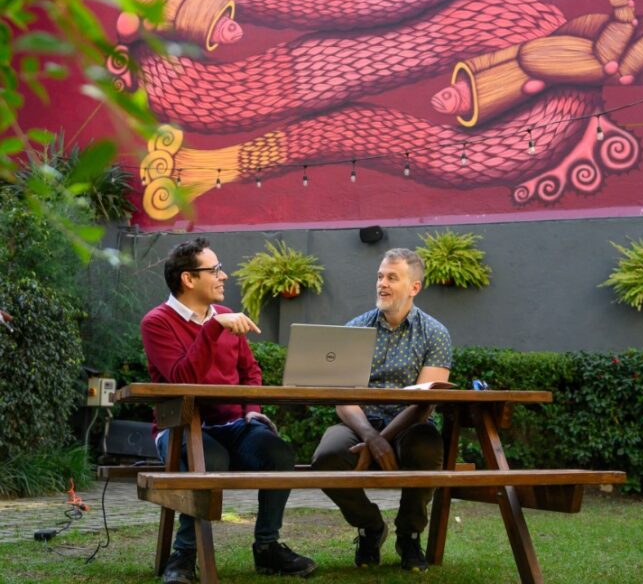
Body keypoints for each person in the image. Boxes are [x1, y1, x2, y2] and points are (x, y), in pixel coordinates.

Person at [141, 237, 316, 583]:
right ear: (189, 279)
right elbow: (181, 380)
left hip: (233, 425)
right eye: (215, 269)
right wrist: (211, 329)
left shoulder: (226, 318)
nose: (224, 276)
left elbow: (250, 372)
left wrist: (251, 409)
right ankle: (184, 556)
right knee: (210, 460)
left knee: (278, 454)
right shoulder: (157, 322)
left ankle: (267, 548)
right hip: (179, 428)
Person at [311, 248, 452, 572]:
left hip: (408, 424)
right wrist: (370, 436)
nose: (382, 284)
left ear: (414, 287)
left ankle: (409, 534)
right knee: (326, 458)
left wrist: (381, 439)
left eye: (392, 277)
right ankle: (371, 527)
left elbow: (424, 402)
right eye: (379, 276)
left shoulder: (435, 333)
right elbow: (343, 397)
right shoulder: (354, 328)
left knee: (427, 447)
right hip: (360, 422)